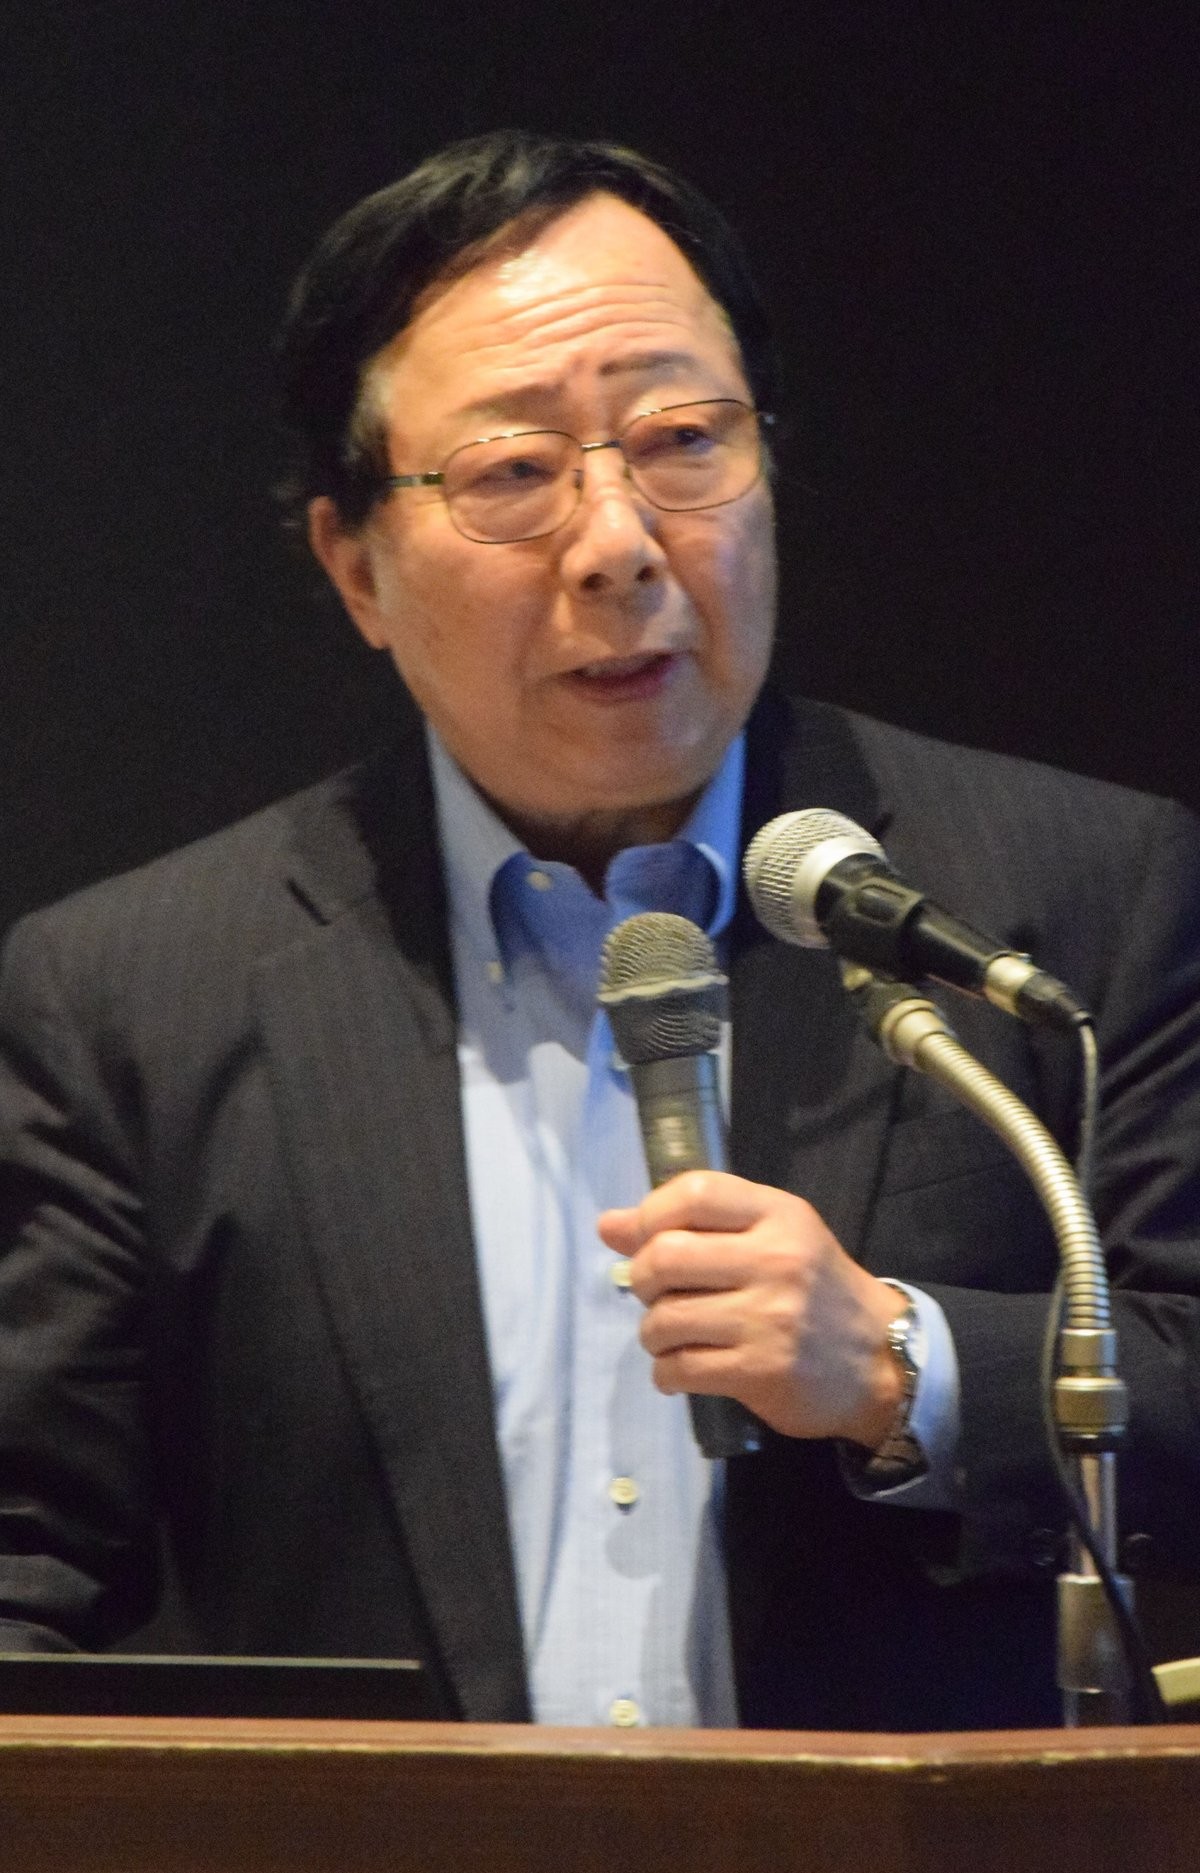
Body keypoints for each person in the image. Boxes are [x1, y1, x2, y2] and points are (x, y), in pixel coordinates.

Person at [2, 131, 1199, 1733]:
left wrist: (901, 1362)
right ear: (355, 566)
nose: (622, 540)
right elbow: (26, 1556)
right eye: (513, 473)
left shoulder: (1065, 897)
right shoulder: (136, 995)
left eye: (684, 440)